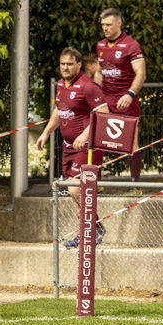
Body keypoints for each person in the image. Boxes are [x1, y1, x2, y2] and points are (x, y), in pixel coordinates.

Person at [36, 47, 110, 247]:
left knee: (76, 189)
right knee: (75, 193)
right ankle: (89, 230)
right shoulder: (61, 84)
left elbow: (103, 113)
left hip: (87, 147)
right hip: (68, 147)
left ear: (79, 65)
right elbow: (59, 110)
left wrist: (85, 135)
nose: (65, 68)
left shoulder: (88, 86)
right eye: (63, 64)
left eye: (70, 64)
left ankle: (91, 230)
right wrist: (46, 132)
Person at [96, 8, 146, 184]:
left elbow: (141, 73)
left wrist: (130, 94)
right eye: (103, 25)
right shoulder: (100, 45)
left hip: (125, 100)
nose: (105, 28)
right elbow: (99, 72)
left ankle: (135, 184)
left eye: (109, 25)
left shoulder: (131, 45)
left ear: (119, 23)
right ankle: (96, 183)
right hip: (105, 100)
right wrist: (96, 95)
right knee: (96, 140)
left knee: (131, 144)